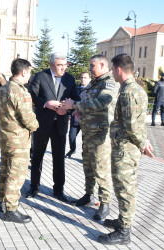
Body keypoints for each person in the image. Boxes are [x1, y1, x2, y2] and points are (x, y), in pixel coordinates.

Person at [97, 53, 154, 245]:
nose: (111, 72)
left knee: (125, 189)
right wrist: (143, 141)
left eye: (112, 69)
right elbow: (137, 122)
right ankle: (122, 220)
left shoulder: (129, 91)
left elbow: (132, 125)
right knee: (123, 186)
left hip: (126, 149)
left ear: (118, 70)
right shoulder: (132, 89)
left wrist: (142, 143)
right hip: (125, 147)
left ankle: (124, 232)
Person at [61, 54, 120, 220]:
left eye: (92, 65)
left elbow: (103, 102)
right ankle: (88, 195)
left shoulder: (109, 82)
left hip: (101, 135)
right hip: (88, 132)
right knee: (88, 166)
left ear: (102, 65)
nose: (89, 68)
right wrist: (80, 111)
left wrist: (76, 105)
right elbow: (90, 102)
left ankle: (105, 204)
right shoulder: (96, 82)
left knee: (101, 170)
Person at [26, 52, 80, 202]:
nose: (63, 68)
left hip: (60, 124)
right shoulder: (40, 76)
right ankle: (34, 187)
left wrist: (67, 109)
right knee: (37, 157)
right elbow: (31, 95)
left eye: (65, 65)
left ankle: (58, 190)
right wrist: (45, 103)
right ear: (51, 65)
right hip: (42, 123)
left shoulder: (69, 79)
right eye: (59, 65)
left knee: (59, 159)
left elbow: (75, 98)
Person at [0, 58, 39, 223]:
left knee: (4, 171)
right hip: (18, 141)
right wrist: (35, 126)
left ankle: (2, 202)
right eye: (29, 72)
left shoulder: (4, 88)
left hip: (6, 137)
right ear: (23, 72)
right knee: (16, 175)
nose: (30, 75)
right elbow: (28, 118)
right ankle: (11, 210)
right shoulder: (19, 91)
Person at [65, 72, 91, 158]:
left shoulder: (91, 90)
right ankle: (72, 149)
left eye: (85, 78)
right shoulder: (76, 88)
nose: (83, 79)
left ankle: (85, 155)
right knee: (71, 136)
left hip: (85, 118)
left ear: (89, 79)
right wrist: (69, 113)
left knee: (85, 139)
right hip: (75, 117)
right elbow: (70, 101)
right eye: (82, 77)